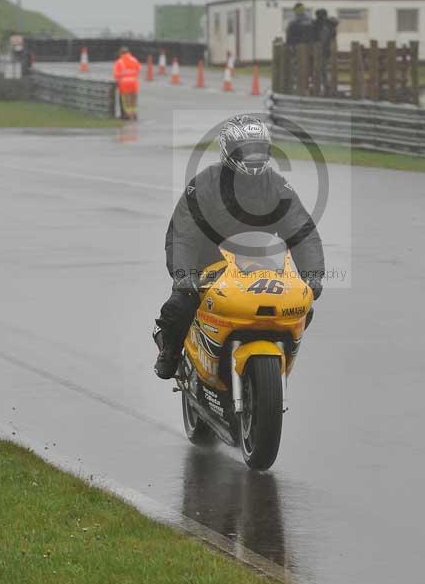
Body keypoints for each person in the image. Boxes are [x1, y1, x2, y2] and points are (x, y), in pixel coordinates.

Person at [152, 114, 325, 379]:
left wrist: (313, 274)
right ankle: (170, 351)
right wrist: (184, 275)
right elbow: (182, 235)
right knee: (181, 304)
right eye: (246, 149)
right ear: (229, 151)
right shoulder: (203, 185)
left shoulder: (277, 185)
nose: (253, 156)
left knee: (304, 304)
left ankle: (277, 361)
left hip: (261, 264)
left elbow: (303, 231)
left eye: (259, 149)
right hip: (209, 262)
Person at [112, 47, 141, 120]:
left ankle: (128, 115)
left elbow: (116, 74)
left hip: (124, 84)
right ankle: (134, 114)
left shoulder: (119, 62)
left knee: (126, 100)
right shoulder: (134, 60)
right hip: (134, 83)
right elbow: (138, 70)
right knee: (133, 100)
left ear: (120, 53)